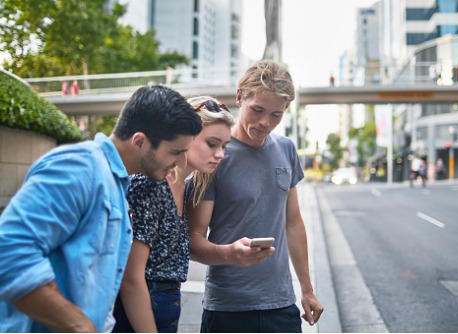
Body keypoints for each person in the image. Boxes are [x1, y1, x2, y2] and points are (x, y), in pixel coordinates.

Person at [0, 84, 202, 332]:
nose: (180, 162)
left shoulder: (116, 182)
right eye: (175, 152)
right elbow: (9, 254)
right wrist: (81, 326)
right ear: (140, 141)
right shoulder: (79, 168)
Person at [188, 60, 324, 333]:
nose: (265, 123)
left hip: (281, 306)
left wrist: (307, 290)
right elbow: (193, 240)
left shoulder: (286, 149)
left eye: (276, 114)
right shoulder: (215, 156)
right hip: (228, 309)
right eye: (257, 110)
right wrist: (230, 254)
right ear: (240, 97)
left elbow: (293, 222)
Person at [112, 96, 234, 333]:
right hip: (139, 311)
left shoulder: (186, 187)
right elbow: (131, 279)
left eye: (224, 146)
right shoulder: (150, 183)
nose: (220, 154)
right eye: (212, 143)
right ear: (186, 136)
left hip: (166, 305)